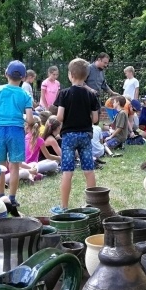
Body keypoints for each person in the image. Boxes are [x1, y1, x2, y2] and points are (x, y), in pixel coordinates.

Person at [52, 58, 100, 214]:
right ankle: (93, 206)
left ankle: (64, 207)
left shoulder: (64, 94)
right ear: (86, 76)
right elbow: (95, 119)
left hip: (69, 136)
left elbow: (59, 117)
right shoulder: (91, 95)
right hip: (86, 135)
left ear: (70, 75)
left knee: (67, 171)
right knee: (88, 170)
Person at [0, 60, 34, 207]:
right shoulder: (25, 94)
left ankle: (0, 196)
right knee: (15, 166)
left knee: (0, 167)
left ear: (6, 74)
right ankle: (12, 198)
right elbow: (30, 119)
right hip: (16, 131)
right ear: (23, 77)